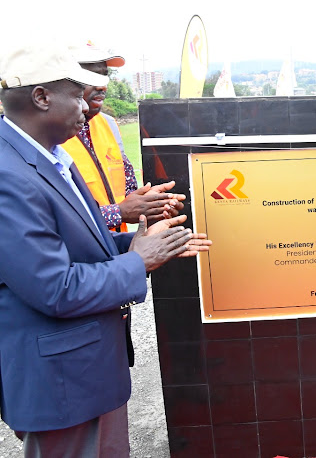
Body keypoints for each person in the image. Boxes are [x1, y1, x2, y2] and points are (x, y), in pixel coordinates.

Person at [0, 42, 210, 457]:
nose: (88, 106)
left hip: (86, 370)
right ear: (41, 97)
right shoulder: (9, 176)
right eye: (77, 94)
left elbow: (80, 244)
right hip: (61, 381)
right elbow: (55, 287)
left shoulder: (51, 156)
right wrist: (139, 259)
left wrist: (138, 242)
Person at [62, 42, 185, 232]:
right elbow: (59, 219)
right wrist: (118, 212)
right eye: (90, 76)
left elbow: (128, 193)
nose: (102, 86)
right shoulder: (48, 135)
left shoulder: (109, 124)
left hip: (117, 251)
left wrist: (152, 204)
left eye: (104, 76)